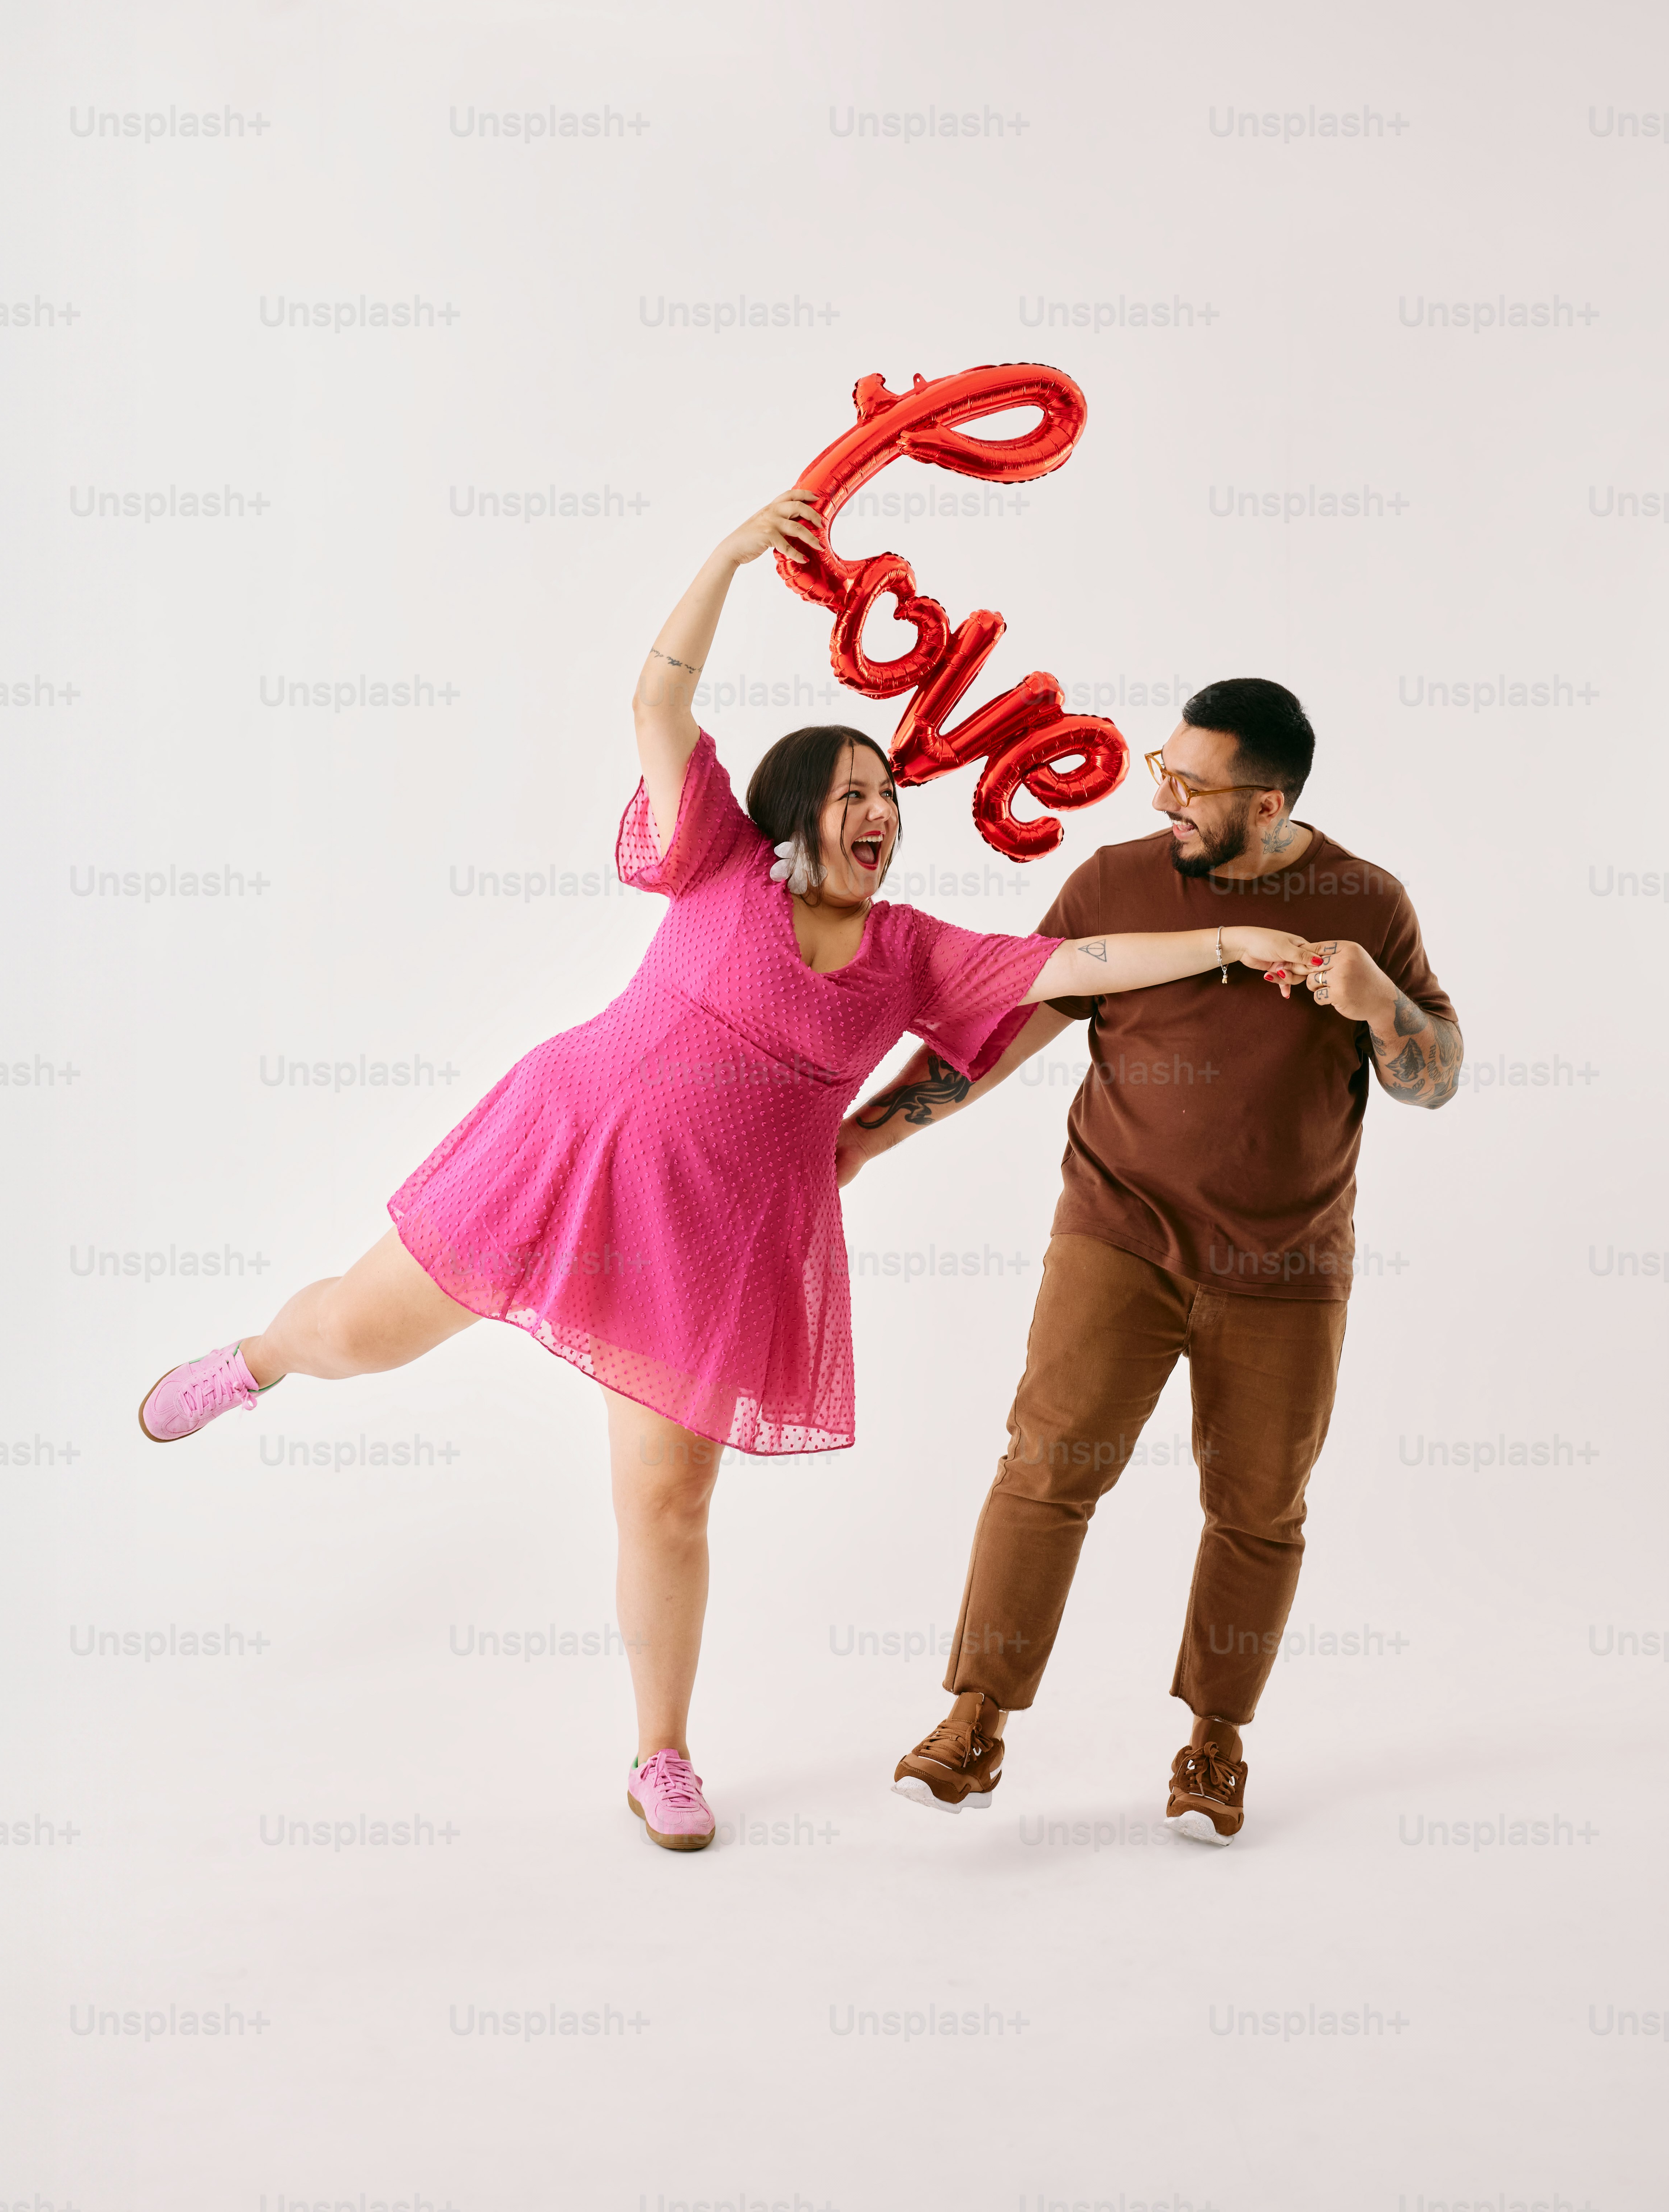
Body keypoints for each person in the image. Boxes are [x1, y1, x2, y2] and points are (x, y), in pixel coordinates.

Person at [136, 508, 1317, 1855]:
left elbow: (1074, 969)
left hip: (709, 1238)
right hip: (563, 1151)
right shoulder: (711, 860)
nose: (882, 814)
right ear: (797, 808)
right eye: (857, 791)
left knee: (669, 1500)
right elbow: (658, 694)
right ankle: (256, 1361)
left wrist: (1230, 936)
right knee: (353, 1332)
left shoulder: (912, 949)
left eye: (893, 800)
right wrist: (734, 555)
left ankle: (661, 1755)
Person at [841, 679, 1462, 1845]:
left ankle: (1216, 1742)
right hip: (1117, 1235)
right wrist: (864, 1143)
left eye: (1190, 782)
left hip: (1289, 1268)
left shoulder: (1370, 903)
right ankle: (976, 1718)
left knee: (1259, 1509)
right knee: (1046, 1469)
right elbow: (995, 1033)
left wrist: (1381, 1006)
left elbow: (1436, 1074)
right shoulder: (1113, 885)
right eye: (1159, 767)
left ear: (1268, 803)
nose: (1160, 794)